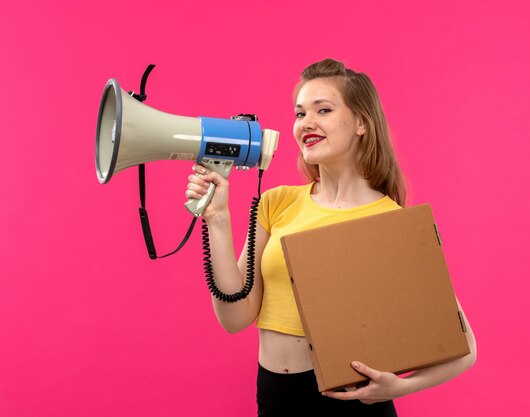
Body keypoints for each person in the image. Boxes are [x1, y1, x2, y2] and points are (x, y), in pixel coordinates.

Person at [185, 58, 477, 416]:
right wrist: (218, 219)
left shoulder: (393, 221)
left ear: (361, 123)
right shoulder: (277, 202)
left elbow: (464, 347)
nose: (306, 123)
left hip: (351, 404)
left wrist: (399, 386)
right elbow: (235, 318)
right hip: (274, 398)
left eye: (323, 110)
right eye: (299, 113)